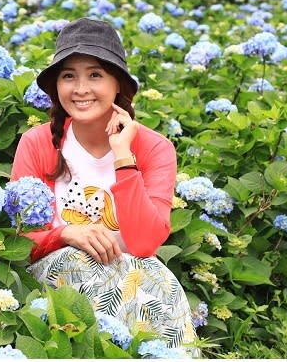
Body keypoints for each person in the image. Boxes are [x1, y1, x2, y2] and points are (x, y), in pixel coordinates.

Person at [11, 17, 197, 350]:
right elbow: (17, 239)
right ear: (57, 87)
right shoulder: (37, 143)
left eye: (94, 74)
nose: (80, 89)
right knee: (98, 272)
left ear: (118, 86)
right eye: (69, 76)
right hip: (58, 274)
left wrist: (123, 157)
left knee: (156, 280)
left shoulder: (154, 149)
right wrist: (66, 234)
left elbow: (144, 244)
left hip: (136, 273)